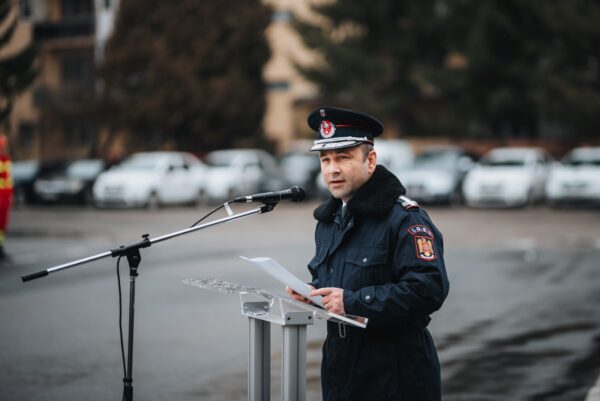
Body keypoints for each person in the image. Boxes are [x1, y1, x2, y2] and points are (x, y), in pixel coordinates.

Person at [287, 107, 449, 401]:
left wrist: (351, 301)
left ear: (371, 160)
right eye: (325, 160)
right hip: (341, 364)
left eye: (343, 157)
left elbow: (429, 289)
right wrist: (310, 291)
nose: (331, 169)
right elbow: (328, 276)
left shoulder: (404, 219)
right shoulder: (329, 219)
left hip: (395, 370)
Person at [0, 134, 12, 258]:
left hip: (5, 196)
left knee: (2, 224)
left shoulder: (6, 159)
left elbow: (8, 179)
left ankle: (1, 247)